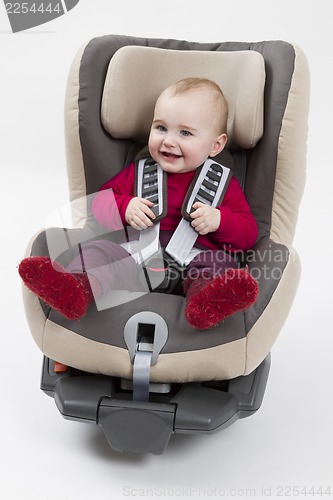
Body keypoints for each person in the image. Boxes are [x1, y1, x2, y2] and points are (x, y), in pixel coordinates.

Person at [19, 77, 259, 333]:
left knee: (220, 264)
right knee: (98, 250)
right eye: (160, 128)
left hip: (194, 265)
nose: (168, 141)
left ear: (216, 145)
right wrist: (124, 207)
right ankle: (75, 289)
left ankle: (208, 302)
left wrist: (221, 220)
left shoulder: (223, 184)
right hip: (135, 262)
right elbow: (97, 207)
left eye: (185, 133)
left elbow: (247, 235)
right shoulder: (140, 173)